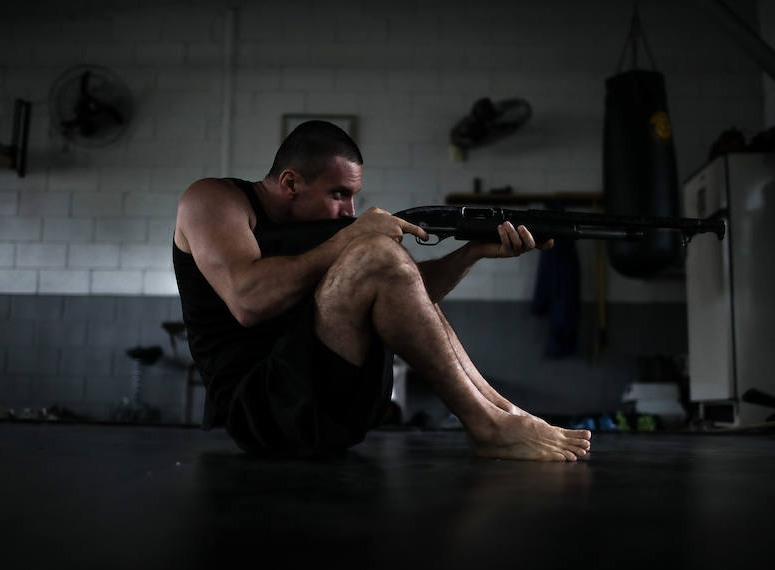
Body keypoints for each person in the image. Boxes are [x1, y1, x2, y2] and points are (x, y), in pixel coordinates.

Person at [173, 120, 592, 460]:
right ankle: (488, 426)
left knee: (383, 259)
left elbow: (404, 294)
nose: (349, 212)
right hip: (264, 410)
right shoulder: (214, 200)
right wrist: (354, 239)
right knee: (375, 252)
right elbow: (248, 301)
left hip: (333, 405)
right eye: (339, 195)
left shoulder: (322, 238)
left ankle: (502, 412)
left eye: (354, 198)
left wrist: (471, 254)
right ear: (289, 183)